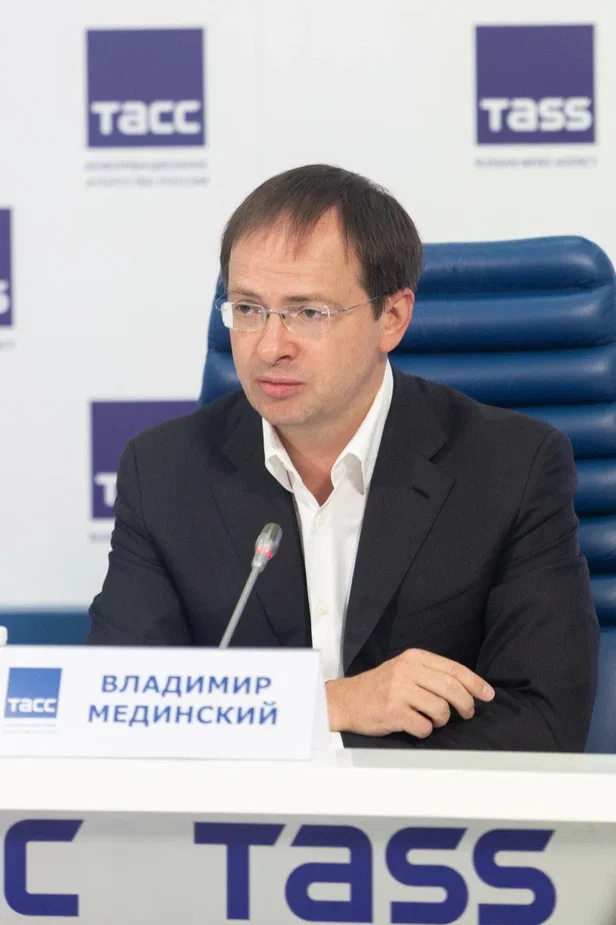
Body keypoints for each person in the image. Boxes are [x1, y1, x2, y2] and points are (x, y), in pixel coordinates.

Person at [89, 164, 599, 751]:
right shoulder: (163, 472)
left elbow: (545, 722)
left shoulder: (512, 468)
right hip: (239, 810)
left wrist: (320, 751)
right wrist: (335, 705)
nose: (270, 346)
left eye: (309, 313)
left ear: (393, 318)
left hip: (433, 811)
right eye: (248, 309)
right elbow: (116, 708)